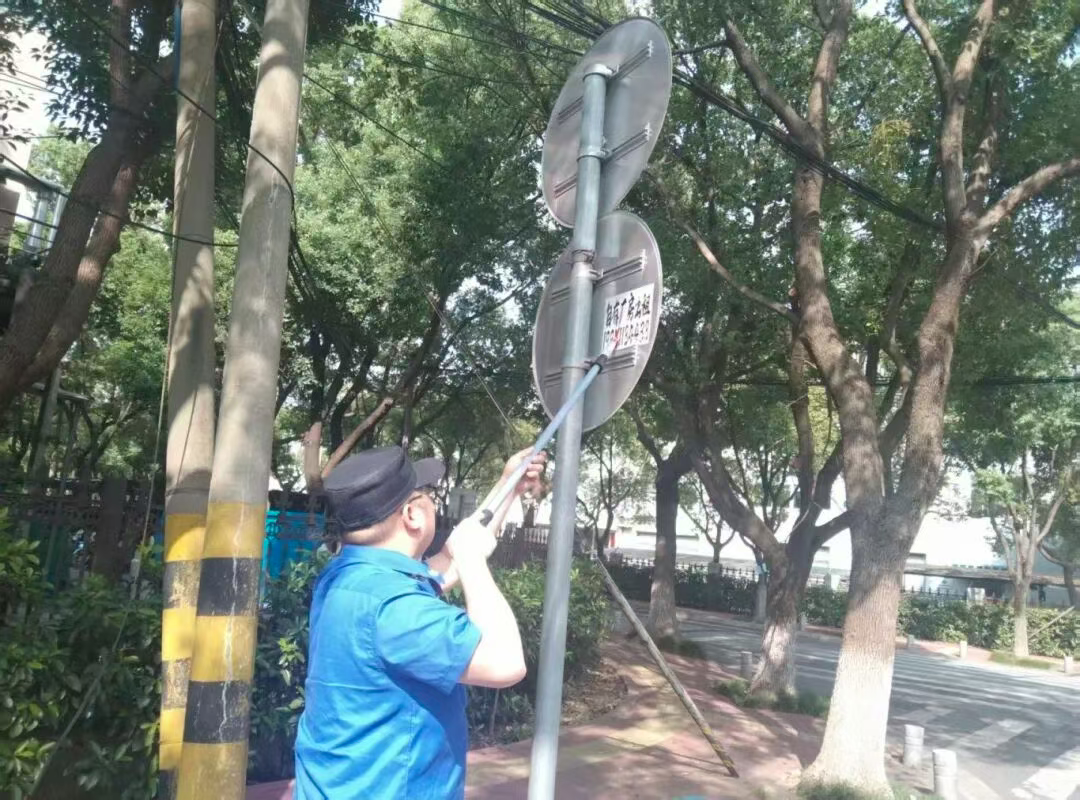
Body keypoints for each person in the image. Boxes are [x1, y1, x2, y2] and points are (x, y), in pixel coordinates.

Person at [294, 445, 547, 800]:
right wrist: (472, 558)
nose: (433, 501)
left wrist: (508, 485)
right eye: (427, 493)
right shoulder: (395, 607)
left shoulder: (349, 578)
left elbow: (446, 564)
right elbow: (504, 662)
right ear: (412, 515)